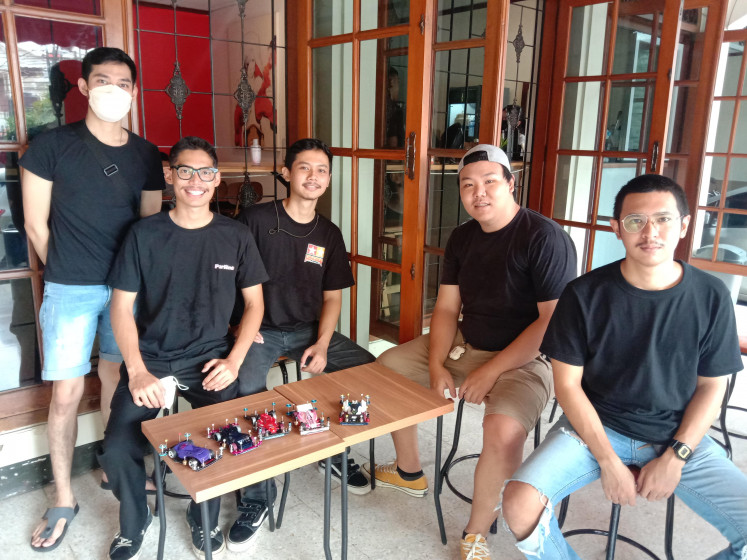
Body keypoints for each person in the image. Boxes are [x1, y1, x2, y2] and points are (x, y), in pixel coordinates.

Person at [502, 175, 747, 560]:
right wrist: (607, 459)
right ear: (616, 228)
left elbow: (712, 388)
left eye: (663, 219)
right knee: (518, 502)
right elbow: (567, 386)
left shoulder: (710, 295)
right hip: (597, 428)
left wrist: (675, 456)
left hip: (677, 433)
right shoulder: (583, 294)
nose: (650, 232)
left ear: (684, 225)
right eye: (635, 221)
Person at [371, 144, 577, 560]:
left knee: (503, 432)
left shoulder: (545, 238)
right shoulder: (463, 237)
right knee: (386, 370)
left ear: (510, 184)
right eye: (468, 185)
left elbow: (549, 322)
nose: (478, 193)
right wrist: (434, 364)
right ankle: (409, 470)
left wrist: (491, 372)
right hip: (468, 342)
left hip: (526, 356)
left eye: (489, 182)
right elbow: (447, 308)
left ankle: (476, 532)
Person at [21, 46, 164, 552]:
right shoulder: (50, 147)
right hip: (70, 288)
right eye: (101, 80)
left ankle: (112, 469)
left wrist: (138, 285)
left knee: (116, 383)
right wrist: (68, 269)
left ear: (133, 91)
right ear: (83, 87)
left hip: (127, 292)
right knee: (65, 395)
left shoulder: (147, 155)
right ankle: (63, 496)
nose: (112, 90)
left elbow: (151, 230)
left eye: (123, 83)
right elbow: (36, 226)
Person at [99, 136, 267, 560]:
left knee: (221, 437)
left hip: (208, 358)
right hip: (151, 360)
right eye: (186, 171)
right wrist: (136, 370)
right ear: (170, 176)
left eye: (206, 172)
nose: (197, 180)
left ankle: (202, 514)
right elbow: (120, 307)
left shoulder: (236, 235)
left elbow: (254, 304)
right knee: (117, 448)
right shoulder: (143, 235)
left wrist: (235, 359)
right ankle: (134, 523)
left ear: (218, 178)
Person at [227, 138, 376, 552]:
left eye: (322, 170)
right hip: (261, 329)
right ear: (287, 174)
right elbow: (225, 275)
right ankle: (257, 496)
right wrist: (239, 325)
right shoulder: (255, 219)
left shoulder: (329, 232)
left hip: (308, 328)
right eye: (305, 168)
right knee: (245, 394)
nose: (314, 176)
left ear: (328, 179)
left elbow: (333, 297)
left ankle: (332, 447)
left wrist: (324, 344)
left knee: (366, 372)